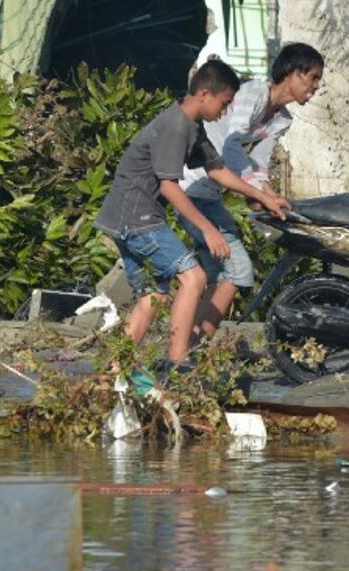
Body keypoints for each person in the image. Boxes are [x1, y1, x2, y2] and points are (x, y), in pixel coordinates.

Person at [93, 60, 290, 372]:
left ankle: (113, 373)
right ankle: (180, 362)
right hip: (137, 218)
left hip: (125, 217)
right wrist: (208, 229)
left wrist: (263, 196)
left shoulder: (191, 126)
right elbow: (169, 187)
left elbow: (217, 169)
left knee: (153, 295)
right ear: (203, 94)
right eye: (224, 103)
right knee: (194, 276)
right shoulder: (175, 127)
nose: (225, 112)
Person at [176, 43, 325, 341]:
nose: (316, 87)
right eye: (313, 77)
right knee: (237, 269)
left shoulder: (283, 119)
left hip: (210, 193)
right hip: (193, 185)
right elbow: (231, 147)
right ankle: (192, 344)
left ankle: (189, 345)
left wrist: (266, 193)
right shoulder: (253, 94)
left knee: (218, 274)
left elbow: (259, 163)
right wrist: (259, 195)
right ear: (293, 73)